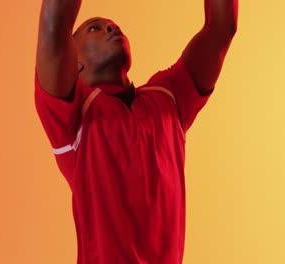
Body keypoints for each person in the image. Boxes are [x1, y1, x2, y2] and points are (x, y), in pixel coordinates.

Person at [34, 0, 238, 263]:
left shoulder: (170, 96)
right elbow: (54, 26)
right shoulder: (72, 118)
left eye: (113, 26)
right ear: (74, 62)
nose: (110, 28)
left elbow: (221, 29)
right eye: (96, 28)